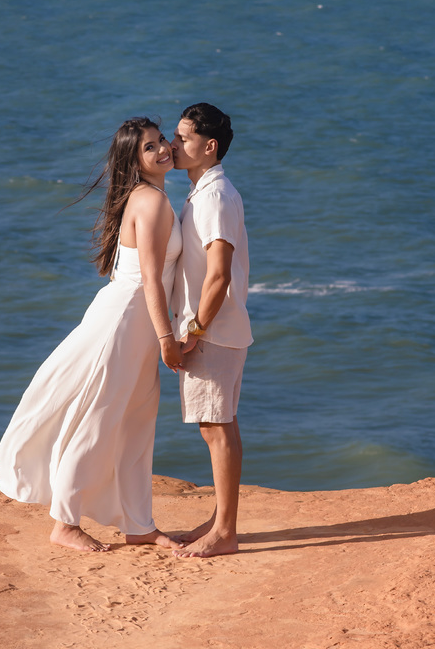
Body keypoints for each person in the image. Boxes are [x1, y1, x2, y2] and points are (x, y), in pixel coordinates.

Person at [0, 118, 185, 552]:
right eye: (150, 148)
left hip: (134, 320)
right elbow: (152, 281)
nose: (162, 151)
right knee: (99, 418)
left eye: (161, 142)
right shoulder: (152, 203)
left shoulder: (152, 195)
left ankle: (139, 524)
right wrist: (166, 338)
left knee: (138, 422)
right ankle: (64, 522)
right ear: (134, 161)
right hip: (127, 323)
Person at [167, 103, 252, 558]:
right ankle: (221, 521)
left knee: (216, 427)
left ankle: (226, 533)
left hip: (214, 331)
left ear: (209, 146)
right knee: (219, 424)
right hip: (221, 328)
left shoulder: (215, 197)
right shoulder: (206, 191)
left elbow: (217, 274)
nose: (173, 146)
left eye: (183, 139)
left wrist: (195, 330)